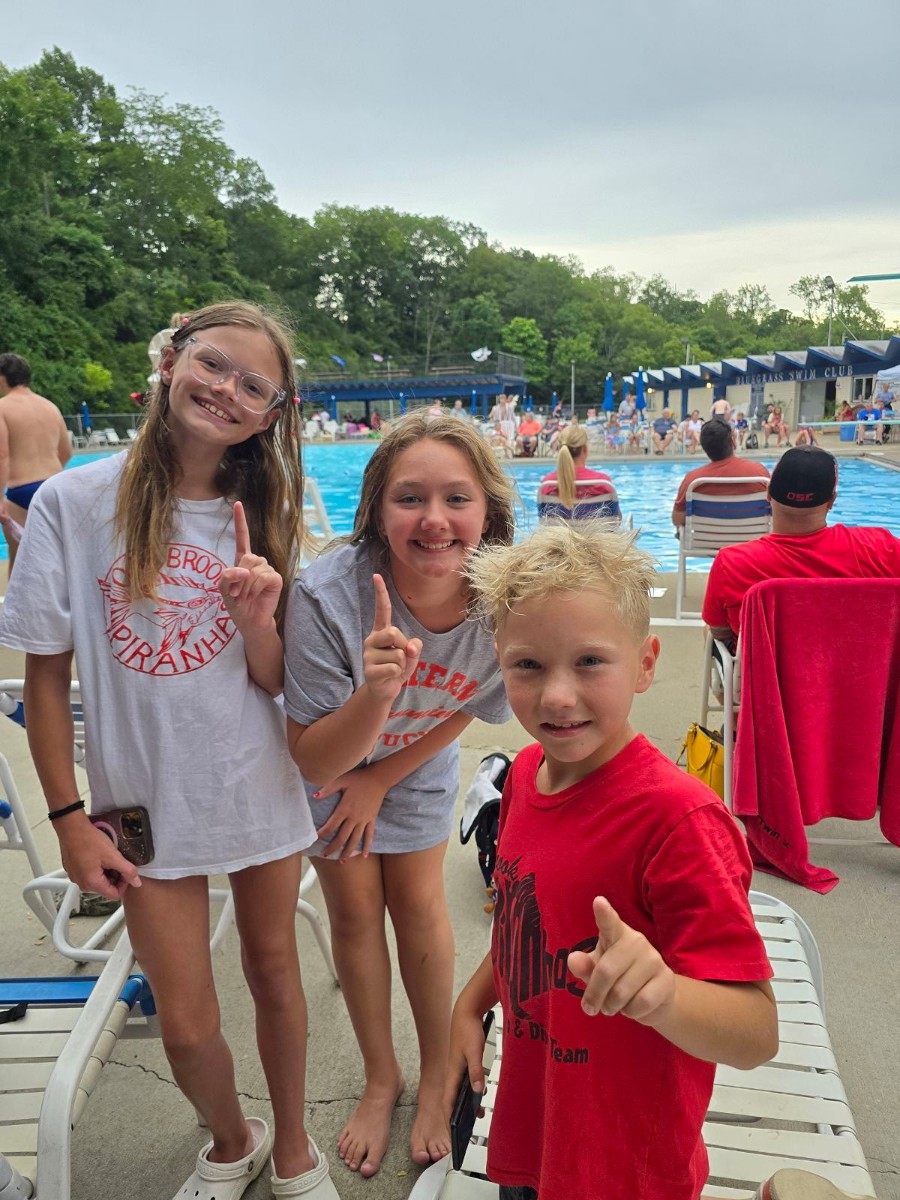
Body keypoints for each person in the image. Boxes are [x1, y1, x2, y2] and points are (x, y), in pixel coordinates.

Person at [0, 303, 339, 1200]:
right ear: (171, 360)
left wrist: (258, 619)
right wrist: (67, 820)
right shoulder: (74, 503)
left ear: (271, 416)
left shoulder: (263, 508)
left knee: (275, 974)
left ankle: (293, 1142)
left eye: (253, 386)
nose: (225, 391)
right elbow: (45, 678)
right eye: (213, 364)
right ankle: (234, 1138)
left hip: (255, 780)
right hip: (140, 803)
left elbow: (276, 680)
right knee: (185, 1022)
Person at [448, 521, 777, 1200]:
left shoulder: (679, 822)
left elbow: (756, 1033)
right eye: (527, 665)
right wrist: (471, 1003)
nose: (557, 696)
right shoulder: (526, 775)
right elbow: (522, 921)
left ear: (646, 663)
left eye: (590, 662)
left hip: (627, 1162)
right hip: (537, 1130)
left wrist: (665, 995)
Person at [283, 414, 515, 1180]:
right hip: (331, 760)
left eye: (457, 498)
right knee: (353, 914)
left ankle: (438, 1068)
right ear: (377, 511)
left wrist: (384, 775)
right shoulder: (327, 597)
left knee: (419, 905)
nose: (434, 519)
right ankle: (381, 1077)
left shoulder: (502, 597)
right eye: (410, 498)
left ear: (488, 511)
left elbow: (470, 700)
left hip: (414, 762)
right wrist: (377, 696)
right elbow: (311, 752)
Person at [703, 446, 900, 646]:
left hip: (769, 667)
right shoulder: (881, 547)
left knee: (710, 632)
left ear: (768, 494)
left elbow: (720, 632)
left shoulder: (732, 564)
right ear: (831, 501)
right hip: (863, 664)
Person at [0, 353, 73, 577]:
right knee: (58, 557)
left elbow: (2, 455)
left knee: (19, 559)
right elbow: (66, 452)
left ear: (2, 378)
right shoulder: (50, 406)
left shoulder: (3, 407)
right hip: (55, 486)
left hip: (21, 491)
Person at [671, 418, 770, 528]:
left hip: (706, 538)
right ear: (732, 442)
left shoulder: (693, 480)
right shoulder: (759, 474)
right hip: (752, 537)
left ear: (704, 447)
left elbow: (677, 520)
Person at [537, 423, 619, 520]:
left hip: (558, 531)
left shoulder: (548, 484)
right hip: (595, 530)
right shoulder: (602, 482)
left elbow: (542, 518)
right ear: (585, 449)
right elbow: (616, 518)